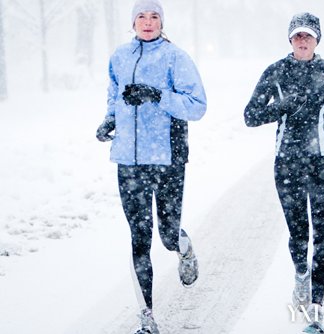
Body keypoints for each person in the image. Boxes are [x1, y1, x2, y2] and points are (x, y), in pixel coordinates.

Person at [244, 12, 324, 334]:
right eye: (298, 36)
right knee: (299, 235)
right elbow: (250, 116)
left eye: (309, 36)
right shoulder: (276, 71)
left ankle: (316, 312)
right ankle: (301, 276)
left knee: (323, 235)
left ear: (317, 39)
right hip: (289, 164)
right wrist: (281, 106)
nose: (303, 41)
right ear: (290, 40)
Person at [96, 0, 207, 333]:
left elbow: (197, 106)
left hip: (168, 158)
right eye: (141, 17)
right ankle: (146, 317)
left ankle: (182, 245)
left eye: (154, 16)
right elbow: (115, 95)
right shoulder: (119, 57)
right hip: (128, 162)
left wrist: (157, 95)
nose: (147, 22)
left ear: (162, 22)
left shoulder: (176, 58)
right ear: (132, 23)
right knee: (139, 238)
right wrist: (109, 121)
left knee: (167, 235)